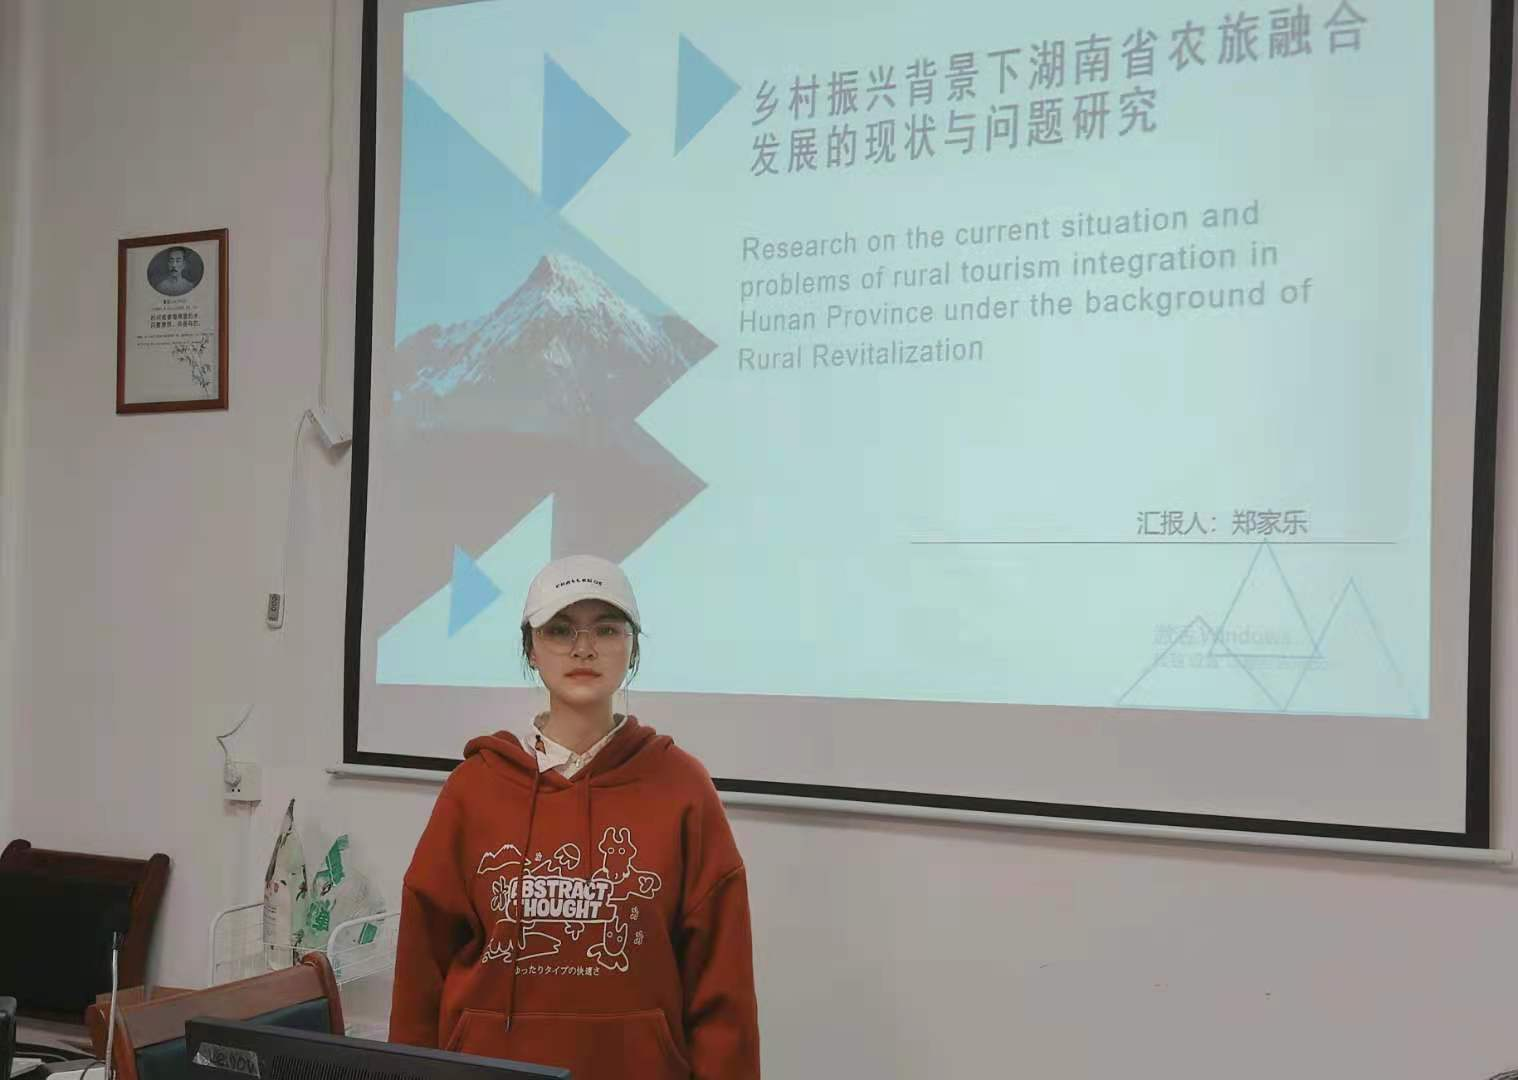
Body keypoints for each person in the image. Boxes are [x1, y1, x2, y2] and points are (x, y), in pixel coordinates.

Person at [390, 555, 760, 1079]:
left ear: (632, 647)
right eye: (560, 630)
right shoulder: (472, 790)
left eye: (606, 629)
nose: (583, 648)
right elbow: (420, 974)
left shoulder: (682, 787)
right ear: (530, 648)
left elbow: (722, 987)